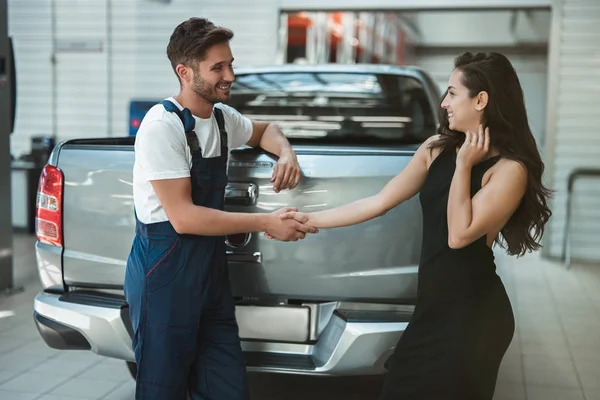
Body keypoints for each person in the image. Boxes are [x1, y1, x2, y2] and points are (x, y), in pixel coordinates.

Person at [271, 52, 552, 399]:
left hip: (474, 317)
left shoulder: (510, 170)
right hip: (432, 309)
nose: (443, 102)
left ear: (481, 100)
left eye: (451, 92)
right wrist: (309, 219)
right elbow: (378, 201)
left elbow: (459, 235)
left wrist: (464, 166)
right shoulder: (435, 149)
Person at [124, 17, 317, 400]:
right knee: (162, 391)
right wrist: (266, 222)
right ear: (185, 71)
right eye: (218, 67)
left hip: (209, 276)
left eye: (230, 64)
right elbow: (184, 217)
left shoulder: (222, 118)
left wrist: (287, 153)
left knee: (226, 386)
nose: (230, 74)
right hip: (165, 276)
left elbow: (266, 130)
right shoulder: (162, 126)